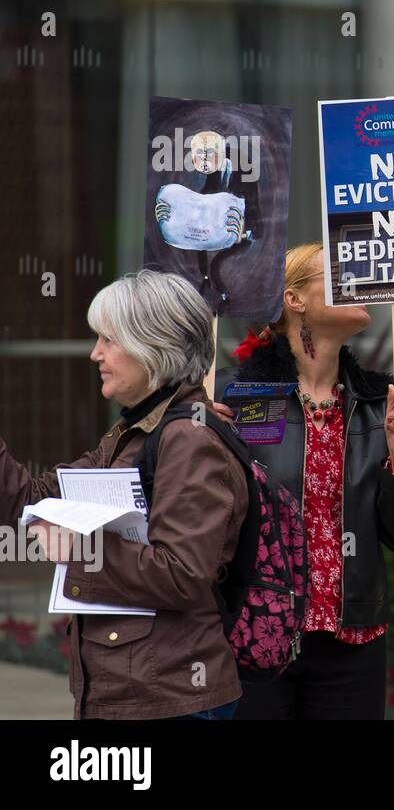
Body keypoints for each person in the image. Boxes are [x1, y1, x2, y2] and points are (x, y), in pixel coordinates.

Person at [0, 270, 249, 719]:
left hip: (172, 700)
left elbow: (183, 573)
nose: (96, 353)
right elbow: (31, 500)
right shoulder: (133, 433)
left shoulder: (188, 440)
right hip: (140, 695)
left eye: (108, 340)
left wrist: (81, 550)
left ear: (153, 346)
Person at [214, 242, 394, 720]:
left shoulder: (379, 403)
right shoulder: (234, 396)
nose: (357, 281)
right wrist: (203, 436)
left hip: (353, 637)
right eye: (338, 274)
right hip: (259, 628)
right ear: (294, 300)